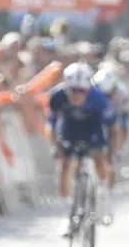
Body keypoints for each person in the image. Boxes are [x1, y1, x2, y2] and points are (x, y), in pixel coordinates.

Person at [48, 62, 116, 237]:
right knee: (64, 165)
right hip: (70, 127)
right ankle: (66, 215)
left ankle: (104, 197)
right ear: (66, 87)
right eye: (73, 90)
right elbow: (52, 125)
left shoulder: (98, 98)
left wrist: (111, 151)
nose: (77, 95)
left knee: (100, 159)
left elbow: (112, 127)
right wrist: (55, 146)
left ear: (88, 89)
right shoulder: (56, 96)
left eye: (82, 91)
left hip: (92, 127)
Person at [92, 66, 129, 168]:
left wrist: (116, 147)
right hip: (98, 111)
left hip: (117, 109)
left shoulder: (123, 92)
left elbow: (124, 117)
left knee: (122, 126)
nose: (106, 98)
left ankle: (117, 150)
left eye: (109, 95)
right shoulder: (91, 89)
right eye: (103, 95)